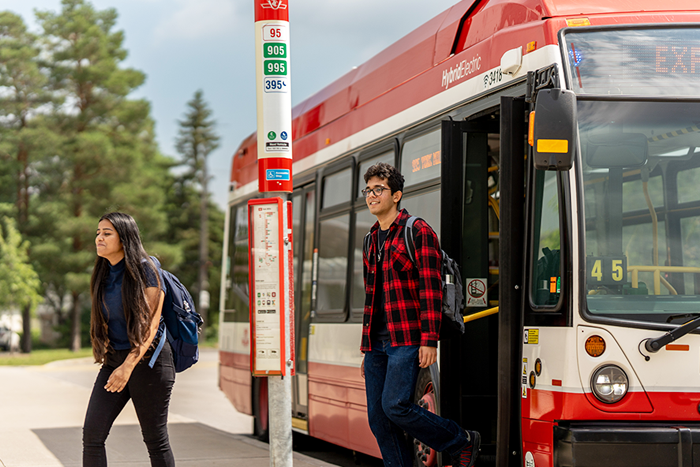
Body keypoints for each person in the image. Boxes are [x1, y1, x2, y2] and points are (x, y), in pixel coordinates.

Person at [360, 163, 480, 467]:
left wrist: (430, 340)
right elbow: (371, 296)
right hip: (377, 343)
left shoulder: (418, 231)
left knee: (396, 405)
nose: (372, 195)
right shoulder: (371, 240)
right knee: (378, 419)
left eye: (379, 189)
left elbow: (431, 290)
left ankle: (461, 440)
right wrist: (366, 349)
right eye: (368, 190)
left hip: (408, 338)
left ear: (396, 194)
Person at [83, 212, 175, 467]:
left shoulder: (147, 268)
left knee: (155, 440)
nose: (98, 238)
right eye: (98, 232)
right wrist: (115, 361)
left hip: (150, 361)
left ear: (124, 238)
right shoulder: (104, 272)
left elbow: (151, 325)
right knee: (92, 434)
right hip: (115, 360)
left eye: (106, 233)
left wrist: (128, 366)